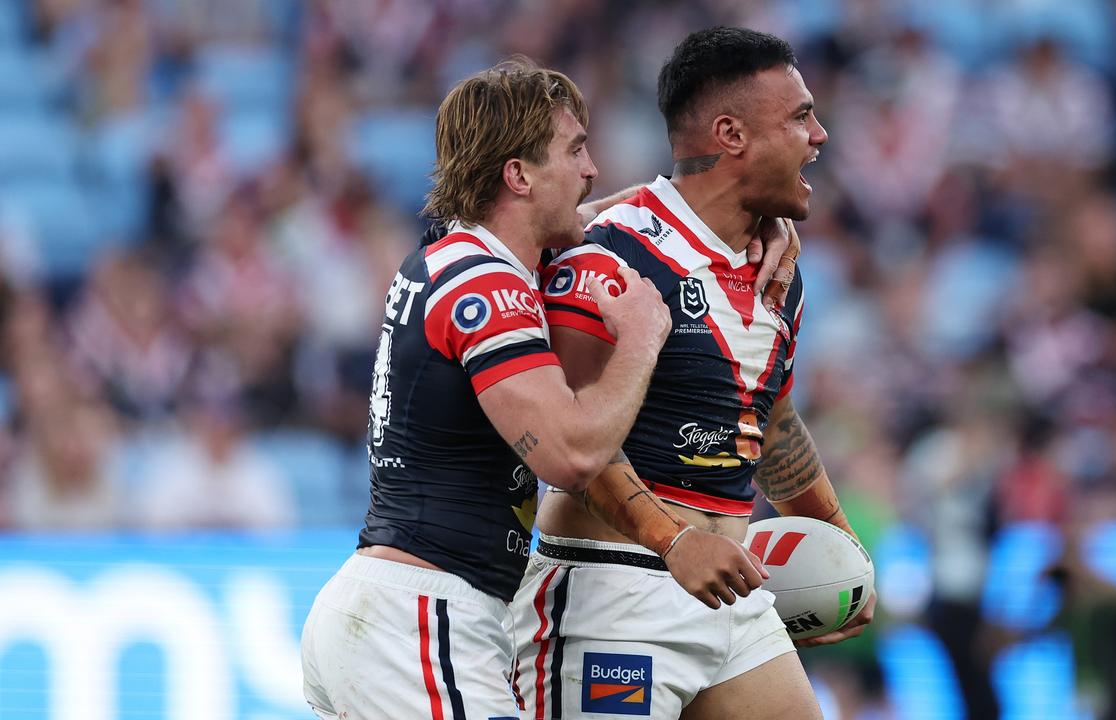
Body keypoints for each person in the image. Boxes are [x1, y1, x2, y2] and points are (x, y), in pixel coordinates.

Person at [511, 27, 875, 720]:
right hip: (611, 596)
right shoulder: (607, 254)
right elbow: (572, 447)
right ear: (731, 134)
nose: (820, 135)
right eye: (800, 116)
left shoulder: (778, 268)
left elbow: (766, 418)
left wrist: (839, 540)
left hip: (732, 595)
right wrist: (674, 541)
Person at [299, 59, 673, 720]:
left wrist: (676, 207)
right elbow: (571, 457)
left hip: (387, 611)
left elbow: (573, 218)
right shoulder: (490, 289)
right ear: (518, 175)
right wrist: (642, 338)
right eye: (575, 150)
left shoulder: (455, 256)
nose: (591, 169)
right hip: (420, 616)